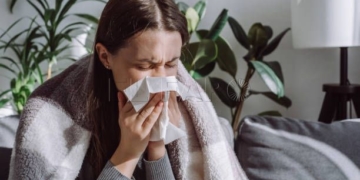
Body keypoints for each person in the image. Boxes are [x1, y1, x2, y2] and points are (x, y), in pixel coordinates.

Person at [9, 0, 247, 179]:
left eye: (171, 63)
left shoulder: (185, 104)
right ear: (105, 57)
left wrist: (156, 146)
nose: (161, 78)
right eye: (146, 65)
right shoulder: (52, 113)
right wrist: (129, 151)